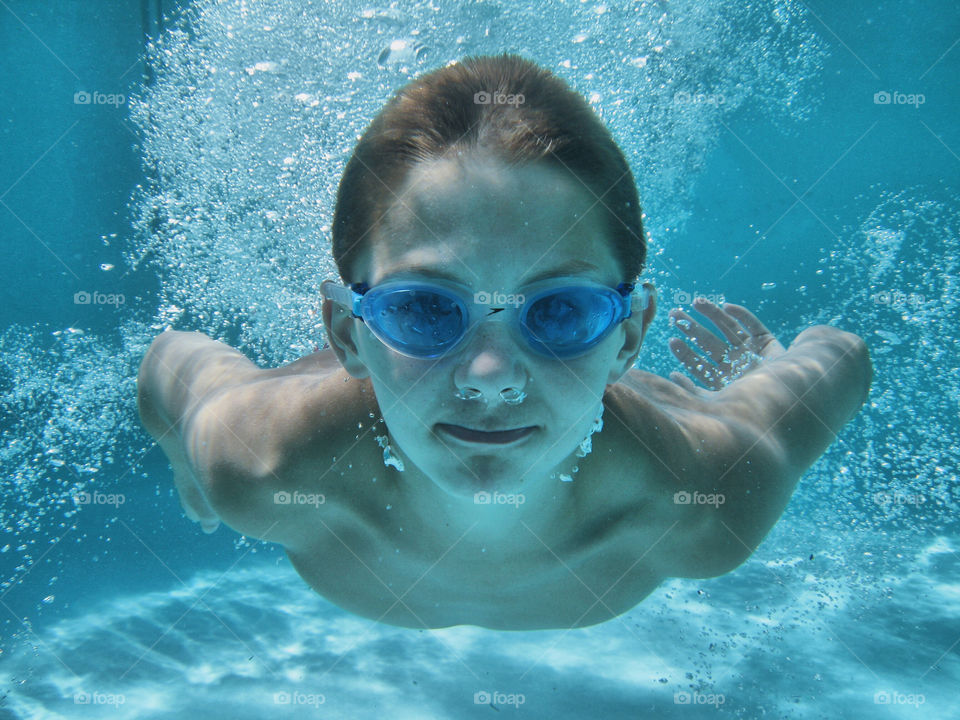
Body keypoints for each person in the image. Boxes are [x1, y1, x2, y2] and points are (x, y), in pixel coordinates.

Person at [137, 53, 872, 630]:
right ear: (345, 334)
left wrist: (768, 370)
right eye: (425, 310)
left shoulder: (705, 498)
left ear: (628, 337)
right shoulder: (260, 462)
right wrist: (184, 462)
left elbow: (841, 358)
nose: (490, 377)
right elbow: (171, 362)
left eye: (559, 314)